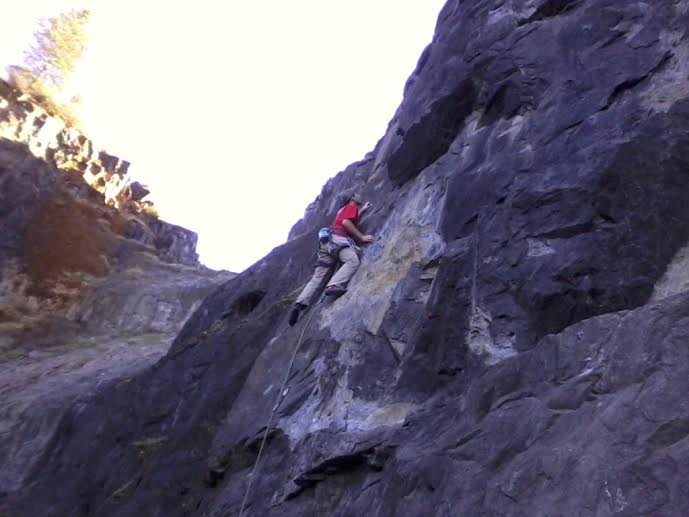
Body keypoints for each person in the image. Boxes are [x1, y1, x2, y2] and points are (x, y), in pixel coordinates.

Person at [289, 192, 374, 325]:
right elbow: (346, 222)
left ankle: (300, 303)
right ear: (352, 198)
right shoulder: (351, 207)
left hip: (325, 244)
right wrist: (362, 237)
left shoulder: (342, 210)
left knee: (317, 278)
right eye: (357, 194)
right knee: (352, 261)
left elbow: (347, 219)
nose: (359, 196)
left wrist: (362, 210)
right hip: (337, 239)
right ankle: (334, 285)